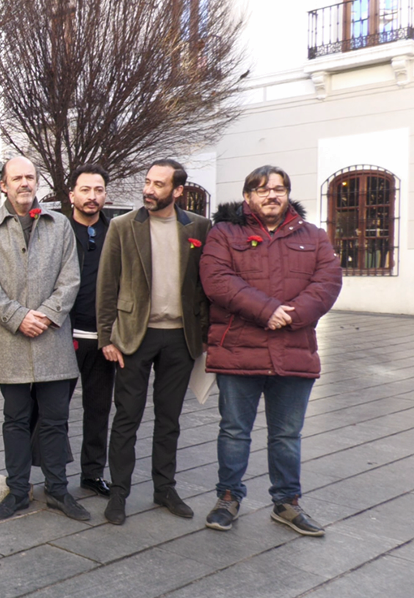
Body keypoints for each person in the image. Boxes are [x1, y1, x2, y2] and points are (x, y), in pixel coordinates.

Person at [200, 165, 341, 536]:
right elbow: (216, 281)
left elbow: (327, 282)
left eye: (279, 189)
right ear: (248, 197)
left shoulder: (313, 236)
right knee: (234, 431)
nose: (271, 195)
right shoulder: (224, 233)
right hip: (238, 350)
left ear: (288, 194)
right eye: (262, 190)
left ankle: (287, 503)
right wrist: (268, 311)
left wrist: (290, 316)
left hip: (294, 349)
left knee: (287, 435)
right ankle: (228, 498)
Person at [97, 159, 211, 526]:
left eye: (158, 184)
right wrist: (105, 337)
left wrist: (205, 333)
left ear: (178, 190)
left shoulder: (199, 227)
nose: (149, 189)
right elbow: (107, 285)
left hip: (180, 338)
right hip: (134, 336)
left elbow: (204, 285)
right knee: (126, 418)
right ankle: (118, 493)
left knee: (170, 419)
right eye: (147, 182)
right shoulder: (122, 226)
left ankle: (165, 489)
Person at [0, 156, 89, 522]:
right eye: (16, 178)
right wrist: (19, 317)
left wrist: (48, 315)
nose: (24, 183)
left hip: (53, 340)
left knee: (56, 420)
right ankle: (17, 492)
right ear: (3, 186)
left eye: (30, 177)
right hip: (12, 340)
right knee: (16, 420)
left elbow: (70, 279)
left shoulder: (59, 225)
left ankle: (57, 490)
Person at [65, 164, 115, 498]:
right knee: (50, 411)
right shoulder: (56, 230)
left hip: (103, 339)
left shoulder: (118, 232)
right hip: (62, 336)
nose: (92, 197)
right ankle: (49, 473)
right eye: (85, 190)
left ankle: (93, 473)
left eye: (98, 190)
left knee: (98, 409)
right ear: (72, 195)